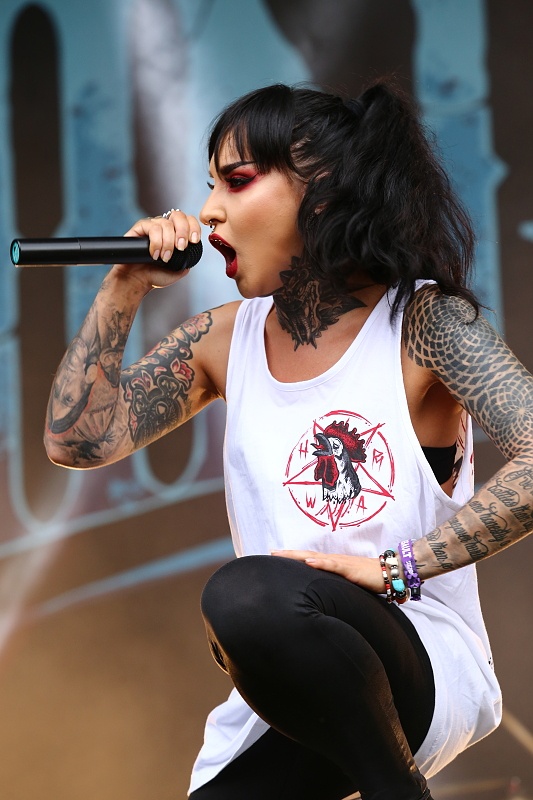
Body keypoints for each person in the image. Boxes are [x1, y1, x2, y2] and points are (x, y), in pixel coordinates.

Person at [43, 79, 533, 800]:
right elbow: (79, 443)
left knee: (244, 593)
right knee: (250, 612)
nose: (209, 211)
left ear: (324, 190)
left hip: (418, 657)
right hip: (285, 675)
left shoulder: (422, 323)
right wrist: (124, 286)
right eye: (209, 186)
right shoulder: (220, 339)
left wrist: (399, 568)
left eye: (237, 181)